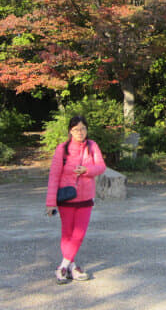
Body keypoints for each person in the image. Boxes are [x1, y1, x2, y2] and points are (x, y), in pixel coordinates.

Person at [46, 115, 106, 284]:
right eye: (76, 129)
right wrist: (50, 203)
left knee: (78, 234)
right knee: (67, 235)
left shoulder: (92, 146)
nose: (80, 132)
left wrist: (87, 170)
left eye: (83, 129)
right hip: (66, 198)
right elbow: (54, 176)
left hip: (85, 198)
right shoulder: (62, 149)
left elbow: (101, 167)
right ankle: (72, 268)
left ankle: (63, 267)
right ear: (70, 131)